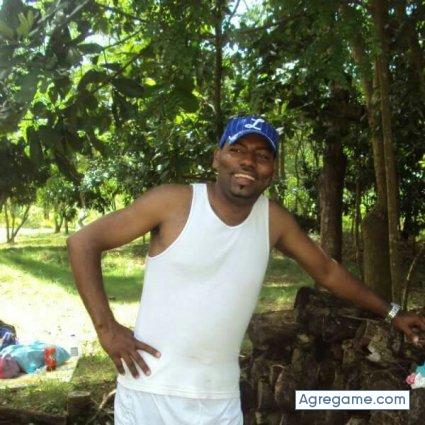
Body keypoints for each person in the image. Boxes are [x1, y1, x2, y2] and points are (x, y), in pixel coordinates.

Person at [67, 116, 425, 425]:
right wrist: (106, 329)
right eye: (237, 149)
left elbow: (327, 272)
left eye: (262, 155)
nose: (248, 162)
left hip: (220, 401)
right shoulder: (173, 202)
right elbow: (83, 242)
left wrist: (392, 312)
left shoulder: (273, 220)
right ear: (217, 157)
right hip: (152, 392)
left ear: (272, 171)